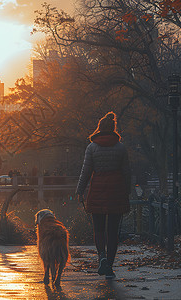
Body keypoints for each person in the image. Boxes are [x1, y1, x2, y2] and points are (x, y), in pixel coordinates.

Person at [75, 112, 130, 279]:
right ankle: (110, 267)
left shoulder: (92, 147)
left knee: (98, 229)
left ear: (99, 128)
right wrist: (127, 192)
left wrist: (79, 190)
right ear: (113, 128)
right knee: (113, 231)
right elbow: (127, 172)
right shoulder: (120, 147)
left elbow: (86, 171)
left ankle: (102, 257)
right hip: (116, 191)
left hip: (97, 190)